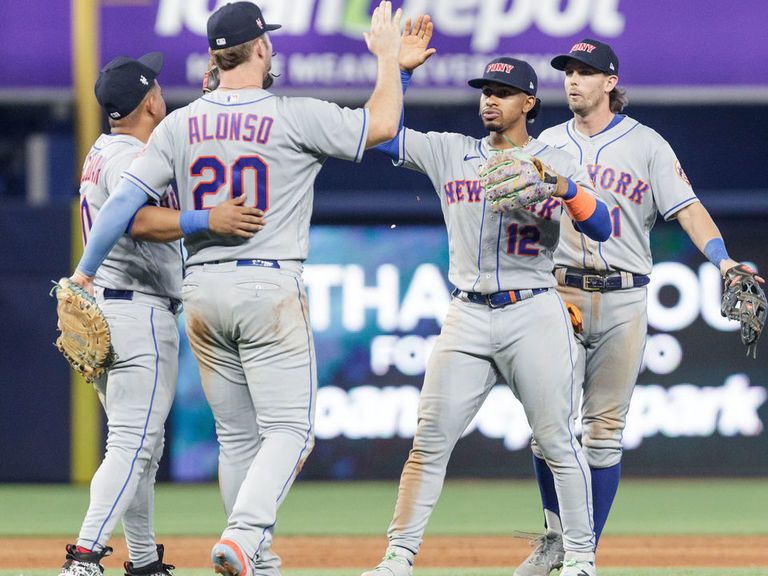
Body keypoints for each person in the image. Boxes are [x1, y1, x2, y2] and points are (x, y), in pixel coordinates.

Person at [66, 2, 404, 575]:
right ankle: (244, 538)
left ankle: (258, 560)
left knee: (236, 440)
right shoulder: (293, 114)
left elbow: (123, 203)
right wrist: (392, 61)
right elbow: (383, 124)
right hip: (266, 287)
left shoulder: (178, 122)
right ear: (263, 49)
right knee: (291, 431)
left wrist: (83, 272)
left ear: (214, 58)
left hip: (200, 294)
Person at [361, 18, 612, 576]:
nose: (489, 101)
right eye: (484, 92)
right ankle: (397, 558)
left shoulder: (557, 158)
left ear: (528, 101)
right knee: (429, 440)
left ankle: (579, 558)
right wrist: (395, 72)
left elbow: (603, 226)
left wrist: (560, 187)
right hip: (467, 313)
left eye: (501, 93)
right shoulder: (451, 151)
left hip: (534, 308)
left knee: (555, 440)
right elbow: (381, 135)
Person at [514, 38, 760, 576]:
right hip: (558, 294)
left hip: (624, 294)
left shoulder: (647, 144)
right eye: (567, 72)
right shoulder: (547, 143)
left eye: (584, 72)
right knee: (547, 426)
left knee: (603, 432)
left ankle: (584, 556)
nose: (572, 80)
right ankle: (556, 537)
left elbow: (687, 209)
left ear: (609, 83)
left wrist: (722, 260)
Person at [59, 53, 264, 576]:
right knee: (133, 445)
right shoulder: (130, 157)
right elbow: (140, 220)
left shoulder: (108, 148)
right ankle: (84, 557)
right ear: (150, 100)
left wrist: (209, 101)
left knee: (141, 451)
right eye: (158, 89)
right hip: (136, 312)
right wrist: (206, 218)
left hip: (116, 309)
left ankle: (145, 562)